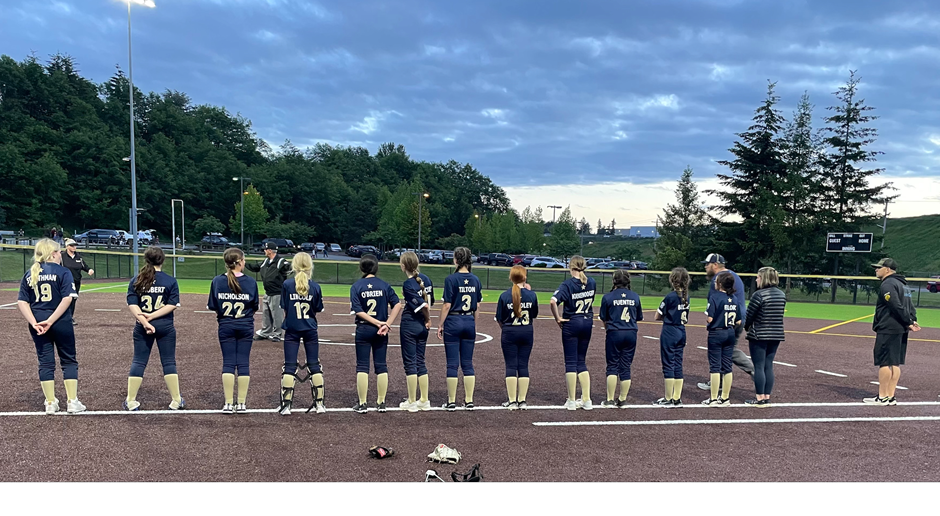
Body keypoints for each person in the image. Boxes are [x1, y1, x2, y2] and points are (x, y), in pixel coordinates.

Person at [16, 238, 84, 414]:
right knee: (68, 359)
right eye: (58, 251)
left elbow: (22, 302)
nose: (60, 254)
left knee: (45, 363)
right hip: (60, 321)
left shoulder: (30, 273)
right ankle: (72, 401)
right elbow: (67, 298)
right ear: (53, 253)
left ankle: (50, 402)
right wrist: (52, 320)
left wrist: (34, 322)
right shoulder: (63, 272)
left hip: (37, 322)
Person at [124, 246, 184, 411]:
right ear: (162, 260)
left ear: (146, 260)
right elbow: (172, 305)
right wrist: (153, 317)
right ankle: (176, 400)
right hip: (164, 325)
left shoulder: (137, 279)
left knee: (138, 361)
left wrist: (145, 320)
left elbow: (132, 304)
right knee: (169, 362)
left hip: (142, 326)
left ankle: (130, 400)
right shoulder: (170, 280)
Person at [208, 248, 259, 414]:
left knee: (228, 363)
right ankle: (242, 403)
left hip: (226, 325)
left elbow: (213, 306)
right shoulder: (251, 282)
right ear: (240, 262)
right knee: (243, 363)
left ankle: (228, 403)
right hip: (245, 325)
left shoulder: (217, 281)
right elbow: (254, 306)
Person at [350, 254, 402, 414]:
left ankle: (363, 403)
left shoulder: (357, 286)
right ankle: (381, 402)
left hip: (365, 329)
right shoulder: (384, 285)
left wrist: (377, 322)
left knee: (362, 366)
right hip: (381, 331)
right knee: (381, 365)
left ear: (361, 268)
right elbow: (398, 304)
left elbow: (358, 311)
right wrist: (386, 323)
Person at [865, 258, 920, 406]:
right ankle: (890, 396)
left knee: (884, 362)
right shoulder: (903, 285)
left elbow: (895, 305)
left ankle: (882, 397)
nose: (876, 270)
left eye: (878, 268)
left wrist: (908, 321)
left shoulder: (888, 284)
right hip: (901, 328)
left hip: (889, 327)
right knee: (895, 362)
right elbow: (910, 306)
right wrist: (911, 320)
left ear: (887, 269)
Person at [697, 253, 754, 391]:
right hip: (739, 317)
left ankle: (752, 370)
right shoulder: (734, 275)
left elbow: (714, 303)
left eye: (707, 264)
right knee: (728, 348)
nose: (705, 267)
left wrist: (712, 321)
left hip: (724, 320)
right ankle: (722, 380)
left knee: (722, 349)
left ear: (715, 265)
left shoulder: (717, 280)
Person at [278, 252, 325, 416]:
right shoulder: (316, 287)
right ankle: (319, 404)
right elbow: (318, 309)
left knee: (290, 365)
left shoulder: (287, 284)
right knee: (314, 365)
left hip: (292, 328)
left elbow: (284, 307)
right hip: (310, 328)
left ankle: (286, 406)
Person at [437, 247, 483, 411]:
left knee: (452, 364)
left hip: (454, 320)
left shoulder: (451, 279)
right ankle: (469, 400)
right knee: (468, 363)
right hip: (469, 320)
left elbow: (447, 304)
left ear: (456, 259)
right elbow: (477, 306)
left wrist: (440, 324)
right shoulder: (476, 280)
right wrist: (474, 324)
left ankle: (451, 401)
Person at [550, 255, 597, 410]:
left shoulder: (568, 284)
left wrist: (558, 318)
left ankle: (571, 400)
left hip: (572, 321)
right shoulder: (591, 282)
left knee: (570, 362)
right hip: (587, 321)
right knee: (581, 361)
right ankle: (587, 399)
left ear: (571, 267)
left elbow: (553, 301)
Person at [495, 265, 539, 410]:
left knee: (511, 365)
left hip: (509, 332)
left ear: (511, 277)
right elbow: (534, 315)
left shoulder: (504, 295)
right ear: (524, 277)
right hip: (527, 331)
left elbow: (500, 318)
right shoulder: (532, 295)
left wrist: (507, 329)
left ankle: (512, 401)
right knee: (523, 365)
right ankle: (522, 400)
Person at [598, 269, 642, 408]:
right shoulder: (635, 296)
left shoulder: (608, 297)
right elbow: (638, 317)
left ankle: (610, 399)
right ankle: (622, 399)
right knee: (625, 367)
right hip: (631, 333)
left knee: (612, 366)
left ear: (614, 281)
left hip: (614, 332)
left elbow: (604, 318)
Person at [744, 267, 787, 407]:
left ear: (764, 278)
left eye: (758, 277)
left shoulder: (759, 295)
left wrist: (746, 327)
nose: (756, 279)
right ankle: (766, 396)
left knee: (759, 366)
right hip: (776, 334)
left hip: (759, 334)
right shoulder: (781, 295)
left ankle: (759, 398)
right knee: (769, 365)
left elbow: (749, 316)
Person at [398, 251, 435, 412]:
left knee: (410, 363)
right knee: (421, 361)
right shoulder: (426, 279)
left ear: (404, 266)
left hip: (411, 324)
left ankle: (412, 400)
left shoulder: (408, 284)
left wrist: (427, 318)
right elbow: (430, 302)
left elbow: (424, 306)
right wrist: (427, 320)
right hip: (422, 327)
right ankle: (424, 399)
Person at [703, 273, 743, 406]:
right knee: (727, 366)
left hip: (717, 333)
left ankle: (713, 398)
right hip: (730, 332)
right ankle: (725, 398)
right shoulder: (734, 298)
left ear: (719, 284)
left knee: (715, 366)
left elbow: (710, 318)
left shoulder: (715, 297)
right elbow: (738, 321)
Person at [654, 268, 691, 407]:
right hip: (681, 330)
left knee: (668, 363)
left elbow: (657, 315)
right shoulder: (687, 296)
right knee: (678, 363)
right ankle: (677, 397)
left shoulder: (670, 296)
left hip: (670, 330)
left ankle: (668, 398)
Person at [245, 241, 290, 342]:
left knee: (276, 314)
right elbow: (256, 267)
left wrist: (287, 268)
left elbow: (288, 267)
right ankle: (266, 332)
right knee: (266, 314)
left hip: (277, 292)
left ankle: (277, 334)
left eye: (265, 249)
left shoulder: (280, 261)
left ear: (269, 250)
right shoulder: (266, 261)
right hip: (267, 292)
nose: (264, 251)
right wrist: (244, 264)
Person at [60, 238, 94, 326]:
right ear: (67, 247)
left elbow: (85, 266)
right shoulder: (62, 257)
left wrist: (89, 270)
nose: (74, 247)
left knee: (73, 300)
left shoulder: (78, 257)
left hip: (76, 282)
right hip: (65, 282)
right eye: (72, 245)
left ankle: (70, 317)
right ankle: (62, 317)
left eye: (75, 245)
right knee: (64, 299)